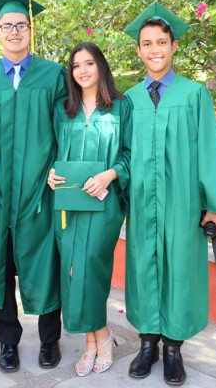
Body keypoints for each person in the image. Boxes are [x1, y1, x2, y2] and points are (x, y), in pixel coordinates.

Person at [123, 1, 216, 385]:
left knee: (180, 269)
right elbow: (122, 154)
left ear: (173, 47)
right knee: (144, 267)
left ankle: (173, 348)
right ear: (138, 50)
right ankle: (148, 342)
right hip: (141, 203)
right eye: (147, 43)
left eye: (161, 43)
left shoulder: (194, 94)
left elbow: (207, 152)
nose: (154, 50)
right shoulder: (130, 99)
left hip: (183, 203)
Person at [0, 0, 67, 372]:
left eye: (20, 25)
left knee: (45, 265)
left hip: (40, 191)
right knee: (2, 268)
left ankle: (49, 341)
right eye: (6, 26)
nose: (14, 32)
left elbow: (66, 128)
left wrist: (60, 169)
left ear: (30, 29)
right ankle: (7, 342)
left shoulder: (54, 75)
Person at [47, 42, 131, 376]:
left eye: (89, 63)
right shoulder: (62, 108)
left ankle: (100, 338)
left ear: (101, 67)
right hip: (68, 202)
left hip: (103, 201)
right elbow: (52, 150)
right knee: (70, 270)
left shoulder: (122, 107)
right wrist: (51, 174)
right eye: (76, 65)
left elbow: (130, 154)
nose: (82, 71)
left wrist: (110, 175)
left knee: (92, 267)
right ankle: (96, 340)